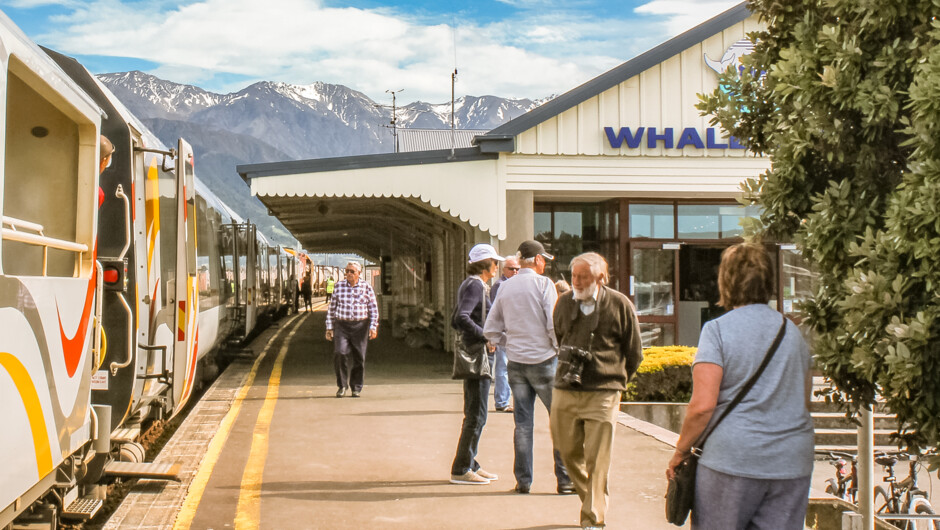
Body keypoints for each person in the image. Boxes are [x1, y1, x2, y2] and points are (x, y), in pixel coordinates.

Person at [665, 243, 814, 530]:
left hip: (733, 460)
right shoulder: (793, 333)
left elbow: (702, 406)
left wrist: (681, 451)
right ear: (770, 281)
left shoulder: (718, 330)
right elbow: (803, 402)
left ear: (725, 281)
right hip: (791, 461)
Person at [551, 252, 643, 530]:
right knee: (567, 452)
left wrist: (615, 381)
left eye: (584, 277)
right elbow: (560, 335)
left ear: (601, 278)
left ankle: (593, 518)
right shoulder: (565, 303)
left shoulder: (619, 304)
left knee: (597, 459)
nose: (576, 282)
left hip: (604, 391)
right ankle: (592, 498)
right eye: (574, 276)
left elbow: (634, 352)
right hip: (566, 388)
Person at [484, 239, 572, 495]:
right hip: (545, 362)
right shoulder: (544, 285)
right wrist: (557, 349)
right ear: (537, 261)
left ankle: (524, 481)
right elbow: (552, 324)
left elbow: (491, 329)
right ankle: (565, 480)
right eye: (544, 259)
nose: (545, 264)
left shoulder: (505, 288)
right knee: (560, 421)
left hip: (517, 363)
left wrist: (507, 343)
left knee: (523, 424)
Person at [450, 243, 504, 485]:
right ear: (486, 264)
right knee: (477, 414)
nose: (497, 266)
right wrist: (485, 335)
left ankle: (471, 461)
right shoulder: (474, 284)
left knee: (475, 412)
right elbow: (461, 317)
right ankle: (461, 468)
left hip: (477, 353)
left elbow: (456, 317)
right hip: (477, 355)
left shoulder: (474, 284)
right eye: (495, 262)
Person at [325, 262, 379, 398]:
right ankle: (342, 386)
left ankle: (356, 387)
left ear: (359, 273)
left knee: (359, 357)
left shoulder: (366, 288)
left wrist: (373, 327)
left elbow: (373, 308)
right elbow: (332, 309)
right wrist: (329, 328)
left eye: (352, 271)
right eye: (347, 271)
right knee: (340, 353)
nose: (348, 274)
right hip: (342, 325)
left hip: (360, 326)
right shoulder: (338, 287)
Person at [489, 256, 520, 413]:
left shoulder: (512, 285)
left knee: (508, 368)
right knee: (503, 367)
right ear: (503, 270)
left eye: (517, 269)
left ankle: (504, 400)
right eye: (511, 269)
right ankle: (502, 401)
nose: (515, 272)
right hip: (503, 333)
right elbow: (496, 312)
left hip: (511, 333)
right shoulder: (500, 286)